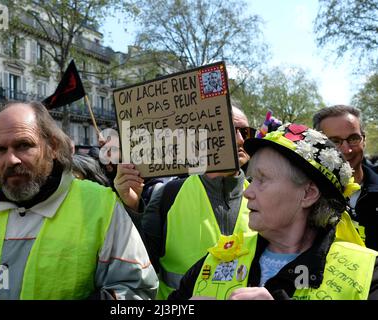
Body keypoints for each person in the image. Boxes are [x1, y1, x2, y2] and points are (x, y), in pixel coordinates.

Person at [0, 102, 157, 300]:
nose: (11, 159)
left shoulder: (101, 206)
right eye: (0, 149)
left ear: (53, 147)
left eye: (23, 145)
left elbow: (136, 289)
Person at [169, 123, 378, 300]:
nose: (247, 193)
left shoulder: (365, 271)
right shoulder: (220, 255)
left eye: (263, 179)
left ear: (308, 194)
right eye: (251, 179)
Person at [115, 104, 255, 299]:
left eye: (246, 132)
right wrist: (132, 206)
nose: (241, 139)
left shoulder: (261, 195)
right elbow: (140, 262)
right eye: (230, 131)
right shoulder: (169, 194)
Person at [313, 105, 378, 250]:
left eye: (353, 138)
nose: (346, 150)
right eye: (334, 141)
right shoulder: (305, 197)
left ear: (364, 140)